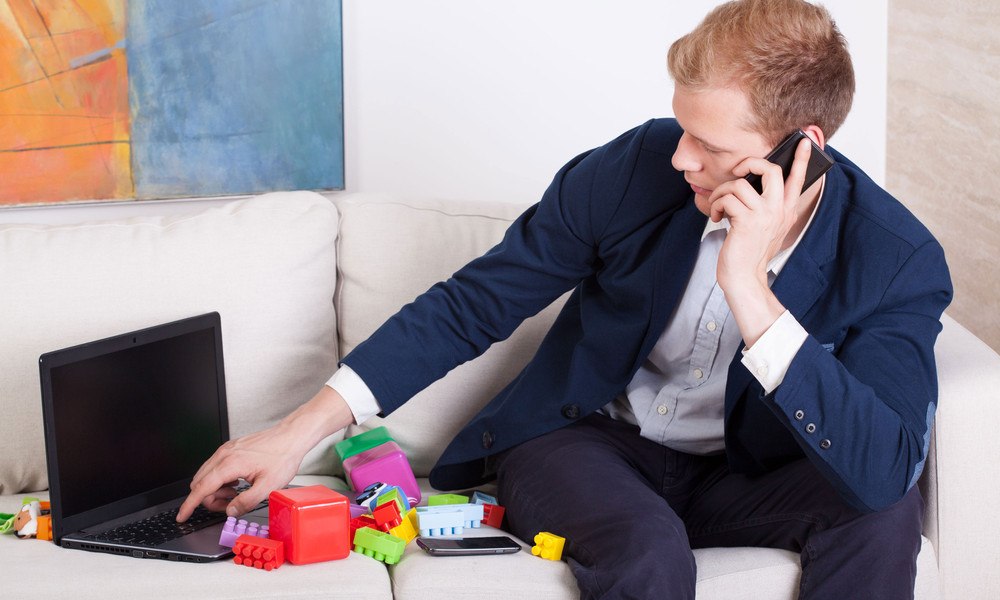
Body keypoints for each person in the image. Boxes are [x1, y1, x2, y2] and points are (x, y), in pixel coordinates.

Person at [179, 1, 952, 597]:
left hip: (745, 475)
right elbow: (471, 305)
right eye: (682, 128)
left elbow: (883, 467)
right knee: (647, 550)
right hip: (591, 446)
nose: (680, 155)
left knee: (880, 515)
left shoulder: (895, 260)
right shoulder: (635, 168)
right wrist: (294, 432)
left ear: (800, 150)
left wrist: (750, 289)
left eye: (710, 147)